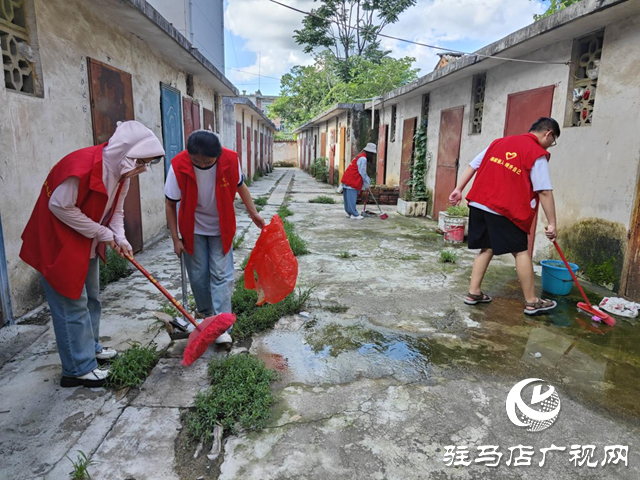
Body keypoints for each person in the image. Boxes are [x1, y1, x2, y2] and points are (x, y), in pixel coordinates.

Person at [20, 121, 165, 387]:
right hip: (59, 242)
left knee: (91, 299)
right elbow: (60, 206)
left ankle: (91, 348)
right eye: (141, 162)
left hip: (85, 240)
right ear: (126, 153)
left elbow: (116, 212)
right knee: (71, 305)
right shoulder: (83, 166)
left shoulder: (123, 174)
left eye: (148, 163)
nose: (143, 169)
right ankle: (77, 368)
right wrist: (104, 234)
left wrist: (119, 236)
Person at [449, 117, 560, 316]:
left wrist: (458, 189)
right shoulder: (537, 153)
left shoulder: (498, 142)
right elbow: (544, 191)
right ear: (548, 133)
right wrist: (552, 223)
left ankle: (474, 293)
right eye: (552, 142)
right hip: (504, 208)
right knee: (520, 252)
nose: (550, 146)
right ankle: (532, 302)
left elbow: (472, 165)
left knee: (487, 247)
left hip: (479, 203)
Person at [164, 130, 265, 343]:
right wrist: (175, 239)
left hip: (221, 226)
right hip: (193, 228)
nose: (201, 164)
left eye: (207, 161)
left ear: (217, 155)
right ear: (189, 154)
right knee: (198, 276)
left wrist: (253, 212)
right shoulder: (178, 165)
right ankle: (207, 314)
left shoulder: (229, 159)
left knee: (221, 274)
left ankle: (222, 324)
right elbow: (170, 204)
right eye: (196, 161)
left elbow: (240, 186)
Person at [341, 143, 376, 220]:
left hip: (347, 177)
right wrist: (367, 180)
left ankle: (349, 212)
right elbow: (362, 172)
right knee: (352, 198)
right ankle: (354, 214)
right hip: (352, 179)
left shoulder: (359, 156)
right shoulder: (363, 158)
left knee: (347, 198)